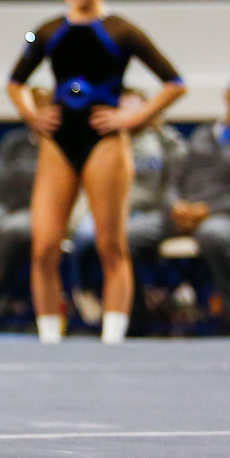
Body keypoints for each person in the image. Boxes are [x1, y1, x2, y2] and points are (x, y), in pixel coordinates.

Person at [7, 0, 185, 344]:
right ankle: (49, 336)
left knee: (109, 244)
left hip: (105, 140)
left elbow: (174, 83)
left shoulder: (122, 29)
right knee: (45, 245)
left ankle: (113, 337)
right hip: (59, 141)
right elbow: (14, 82)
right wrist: (32, 116)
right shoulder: (46, 30)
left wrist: (134, 117)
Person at [131, 73, 230, 333]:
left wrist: (208, 211)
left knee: (214, 234)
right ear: (226, 94)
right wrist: (175, 205)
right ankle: (137, 314)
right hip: (181, 214)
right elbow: (174, 179)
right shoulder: (204, 133)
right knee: (125, 236)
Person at [67, 88, 187, 328]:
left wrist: (158, 128)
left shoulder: (164, 141)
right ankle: (85, 290)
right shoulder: (105, 142)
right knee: (86, 233)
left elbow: (178, 176)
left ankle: (135, 307)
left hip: (151, 212)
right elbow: (85, 185)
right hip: (109, 209)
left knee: (121, 239)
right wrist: (77, 218)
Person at [0, 87, 51, 322]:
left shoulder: (57, 144)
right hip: (4, 204)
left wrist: (22, 182)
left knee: (10, 231)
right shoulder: (13, 141)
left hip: (36, 209)